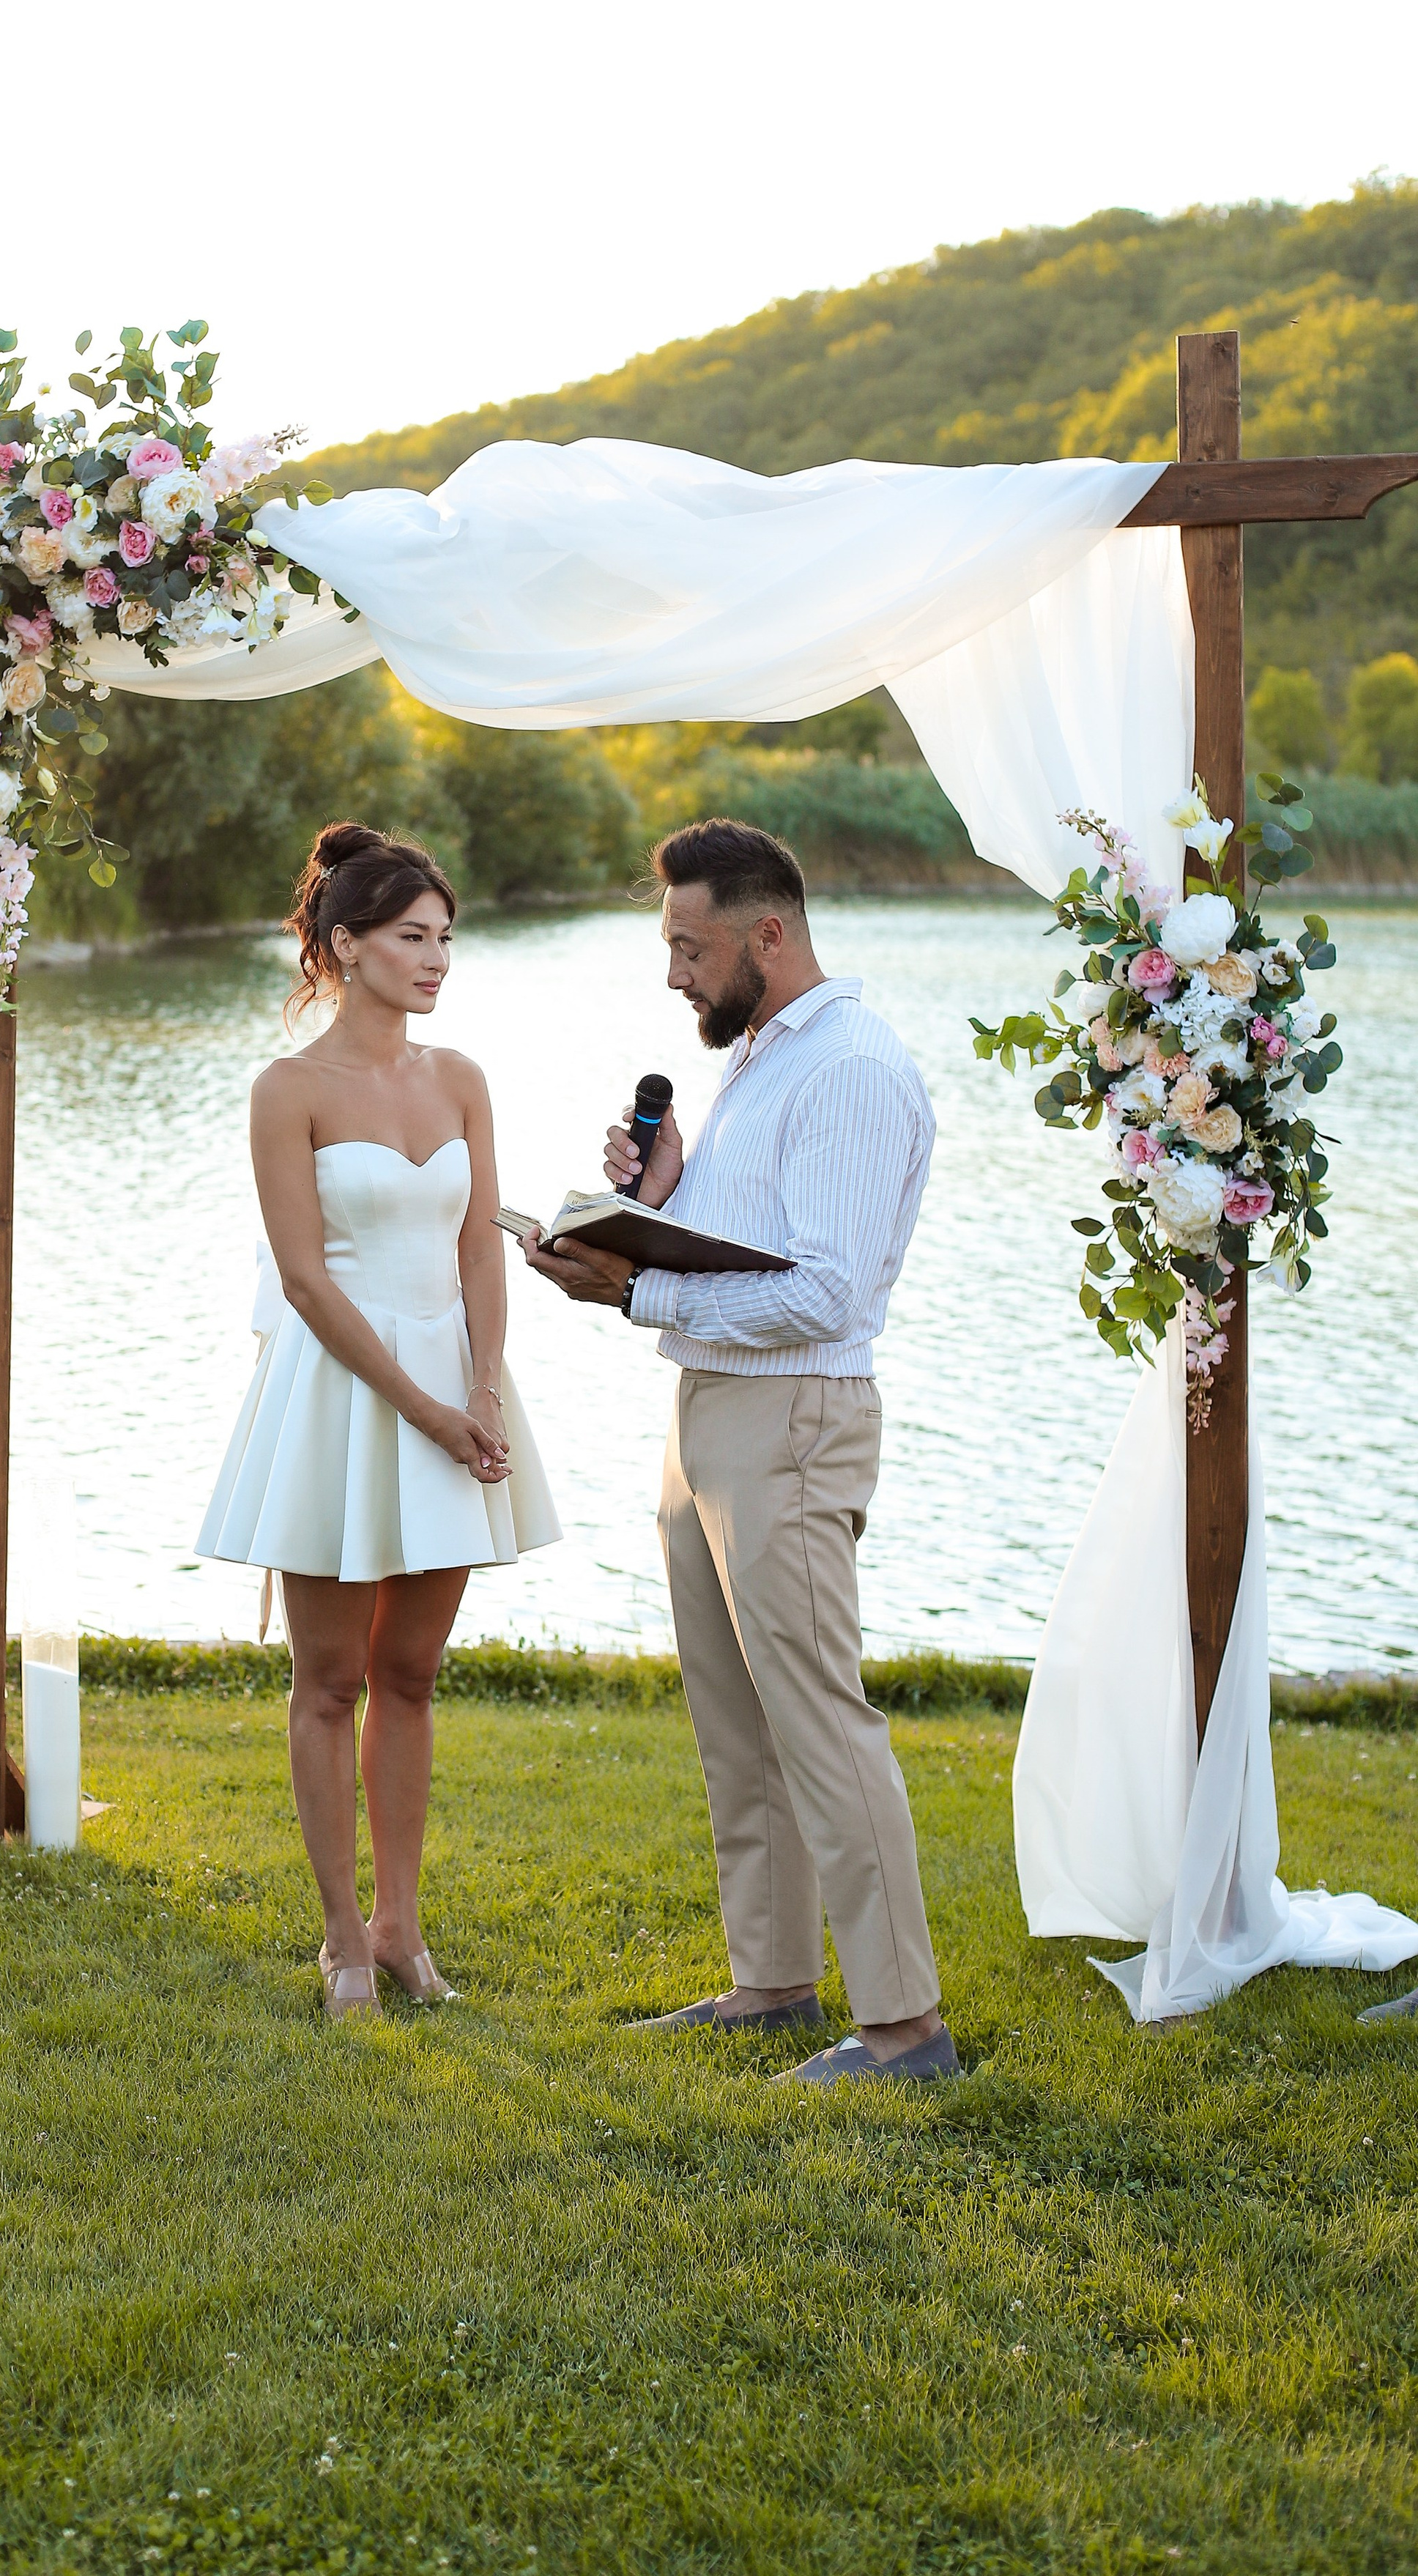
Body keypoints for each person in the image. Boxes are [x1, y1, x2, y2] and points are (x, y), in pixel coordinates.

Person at [520, 818, 957, 2089]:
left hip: (794, 1420)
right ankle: (771, 1987)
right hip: (710, 1413)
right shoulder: (763, 1056)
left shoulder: (854, 1070)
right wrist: (658, 1206)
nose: (675, 975)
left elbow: (823, 1293)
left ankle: (907, 2031)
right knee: (739, 1723)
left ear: (768, 932)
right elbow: (756, 1246)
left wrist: (630, 1294)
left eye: (690, 947)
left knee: (821, 1720)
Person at [197, 822, 559, 2023]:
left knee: (410, 1671)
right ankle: (342, 1938)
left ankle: (404, 1929)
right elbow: (305, 1280)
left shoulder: (460, 1080)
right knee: (329, 1677)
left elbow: (479, 1254)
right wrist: (424, 1411)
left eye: (447, 938)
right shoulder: (286, 1091)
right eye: (413, 937)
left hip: (459, 1386)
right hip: (340, 1397)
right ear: (345, 945)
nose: (437, 958)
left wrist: (486, 1387)